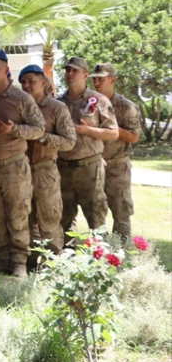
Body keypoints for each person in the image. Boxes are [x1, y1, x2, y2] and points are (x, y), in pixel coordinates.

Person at [0, 49, 45, 279]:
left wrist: (15, 130)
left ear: (6, 70)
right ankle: (4, 258)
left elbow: (38, 129)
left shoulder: (21, 98)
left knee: (17, 215)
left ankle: (19, 261)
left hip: (14, 166)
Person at [18, 65, 76, 262]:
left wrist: (42, 137)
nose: (26, 86)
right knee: (26, 218)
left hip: (45, 169)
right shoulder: (18, 106)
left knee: (49, 217)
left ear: (43, 82)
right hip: (19, 170)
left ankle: (52, 261)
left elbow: (69, 141)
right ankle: (33, 260)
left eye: (31, 81)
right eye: (23, 82)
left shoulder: (56, 108)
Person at [56, 57, 117, 233]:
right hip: (63, 168)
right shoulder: (58, 102)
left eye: (75, 70)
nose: (70, 74)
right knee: (64, 219)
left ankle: (100, 257)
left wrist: (87, 130)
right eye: (67, 70)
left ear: (85, 75)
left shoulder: (98, 100)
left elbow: (113, 133)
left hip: (89, 168)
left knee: (96, 218)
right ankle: (66, 257)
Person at [91, 63, 142, 239]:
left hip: (118, 165)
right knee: (96, 213)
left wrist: (110, 128)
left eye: (101, 79)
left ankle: (122, 252)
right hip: (95, 165)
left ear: (112, 80)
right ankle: (99, 253)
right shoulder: (90, 104)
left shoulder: (126, 106)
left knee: (121, 212)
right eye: (94, 79)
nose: (96, 83)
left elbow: (134, 137)